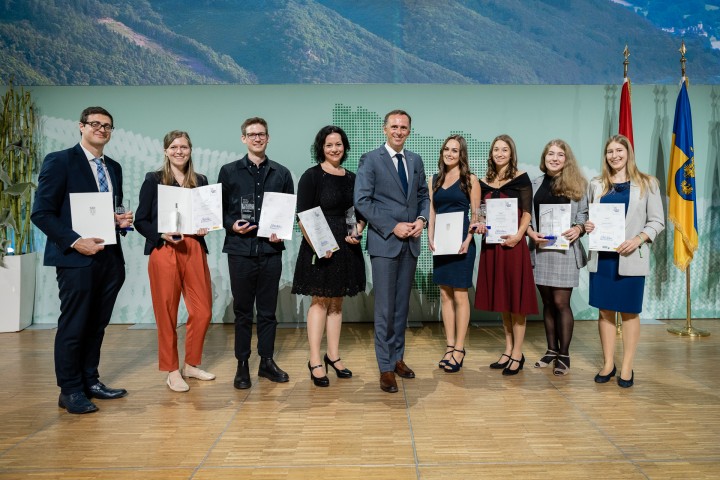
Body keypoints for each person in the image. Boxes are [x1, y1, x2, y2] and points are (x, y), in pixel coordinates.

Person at [31, 106, 133, 414]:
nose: (102, 129)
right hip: (76, 259)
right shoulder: (60, 161)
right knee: (74, 325)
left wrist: (118, 221)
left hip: (110, 258)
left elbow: (102, 212)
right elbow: (42, 213)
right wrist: (77, 242)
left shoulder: (113, 167)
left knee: (97, 325)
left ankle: (90, 380)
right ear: (81, 126)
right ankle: (70, 390)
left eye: (107, 126)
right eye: (95, 124)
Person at [354, 109, 430, 393]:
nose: (399, 131)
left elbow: (423, 195)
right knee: (385, 309)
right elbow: (362, 201)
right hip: (385, 242)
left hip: (410, 243)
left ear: (409, 131)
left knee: (401, 307)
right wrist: (392, 226)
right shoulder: (371, 159)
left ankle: (397, 358)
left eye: (404, 127)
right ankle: (385, 367)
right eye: (394, 127)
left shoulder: (415, 160)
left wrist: (422, 220)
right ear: (384, 129)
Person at [135, 130, 215, 392]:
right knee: (167, 312)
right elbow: (140, 220)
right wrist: (161, 234)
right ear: (166, 151)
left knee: (202, 311)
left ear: (190, 150)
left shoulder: (200, 180)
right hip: (164, 248)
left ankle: (191, 365)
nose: (179, 151)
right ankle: (172, 370)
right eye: (174, 147)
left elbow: (206, 216)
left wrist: (205, 226)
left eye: (184, 147)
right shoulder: (154, 179)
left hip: (194, 248)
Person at [218, 117, 295, 390]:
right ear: (244, 139)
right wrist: (232, 225)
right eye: (252, 134)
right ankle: (242, 364)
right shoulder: (229, 171)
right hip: (240, 251)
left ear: (268, 137)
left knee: (267, 311)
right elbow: (219, 210)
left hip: (270, 251)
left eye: (261, 134)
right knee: (242, 312)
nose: (257, 138)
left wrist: (281, 231)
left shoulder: (282, 173)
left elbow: (288, 212)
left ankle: (266, 362)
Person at [585, 135, 664, 388]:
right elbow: (588, 216)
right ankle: (608, 363)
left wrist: (639, 239)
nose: (614, 155)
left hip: (630, 256)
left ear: (628, 153)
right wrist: (588, 225)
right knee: (605, 311)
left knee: (630, 312)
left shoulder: (648, 183)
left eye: (619, 150)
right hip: (602, 258)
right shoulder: (596, 184)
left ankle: (627, 365)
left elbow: (657, 221)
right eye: (610, 151)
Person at [292, 125, 366, 387]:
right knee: (320, 301)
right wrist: (317, 245)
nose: (334, 149)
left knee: (337, 302)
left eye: (338, 144)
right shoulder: (311, 176)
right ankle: (315, 360)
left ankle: (333, 356)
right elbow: (303, 216)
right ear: (321, 148)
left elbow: (359, 214)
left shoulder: (352, 178)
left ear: (345, 147)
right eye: (329, 145)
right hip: (320, 246)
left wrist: (358, 231)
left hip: (346, 246)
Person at [473, 134, 538, 376]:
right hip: (493, 247)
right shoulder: (484, 182)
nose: (500, 153)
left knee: (516, 301)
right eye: (496, 149)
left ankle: (518, 353)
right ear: (491, 154)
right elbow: (480, 212)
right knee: (503, 300)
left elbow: (527, 212)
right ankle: (508, 349)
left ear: (511, 154)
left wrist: (519, 235)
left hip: (513, 246)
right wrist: (480, 223)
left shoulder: (521, 178)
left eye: (504, 150)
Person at [526, 139, 588, 376]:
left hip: (565, 250)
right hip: (540, 250)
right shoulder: (534, 184)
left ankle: (564, 354)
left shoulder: (578, 184)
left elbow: (584, 215)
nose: (554, 158)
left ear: (566, 159)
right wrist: (531, 232)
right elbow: (527, 216)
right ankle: (551, 349)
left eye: (560, 154)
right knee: (548, 303)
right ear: (544, 158)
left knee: (561, 303)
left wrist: (578, 229)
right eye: (550, 154)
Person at [427, 135, 480, 373]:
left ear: (461, 154)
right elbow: (432, 211)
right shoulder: (434, 180)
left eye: (455, 150)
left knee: (460, 295)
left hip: (461, 244)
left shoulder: (470, 179)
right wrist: (430, 236)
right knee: (445, 294)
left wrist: (468, 240)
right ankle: (449, 346)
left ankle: (459, 349)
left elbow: (476, 215)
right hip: (442, 243)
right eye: (446, 149)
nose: (449, 153)